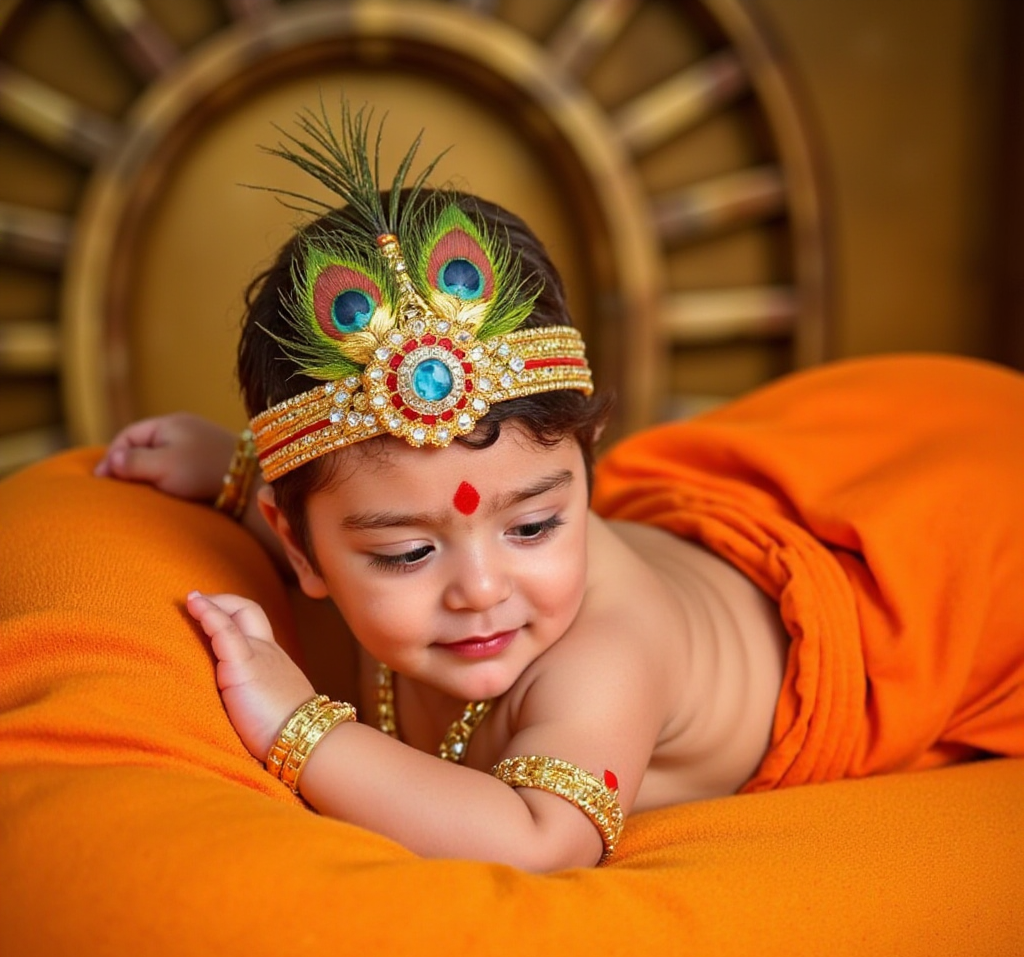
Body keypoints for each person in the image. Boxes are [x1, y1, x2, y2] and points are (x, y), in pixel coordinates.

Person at [95, 104, 1024, 871]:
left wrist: (296, 726)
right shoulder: (383, 522)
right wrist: (234, 467)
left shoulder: (605, 657)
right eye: (407, 553)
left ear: (584, 468)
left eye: (537, 526)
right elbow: (345, 492)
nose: (481, 589)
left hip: (933, 575)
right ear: (297, 545)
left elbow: (541, 838)